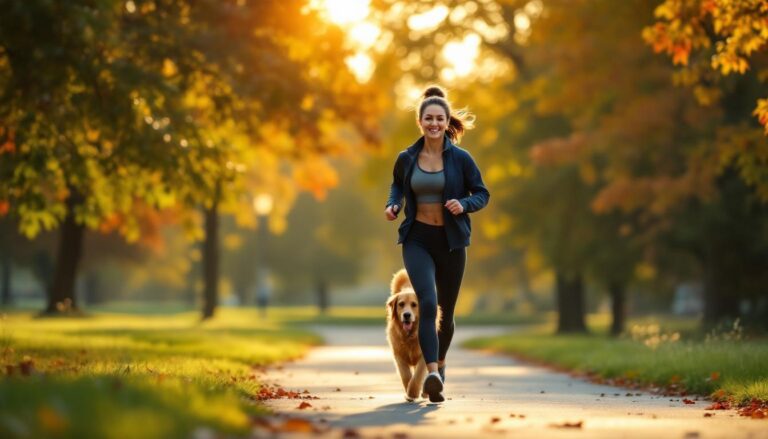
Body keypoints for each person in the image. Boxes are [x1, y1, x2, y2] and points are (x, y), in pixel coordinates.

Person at [384, 85, 490, 403]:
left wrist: (464, 204)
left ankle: (440, 364)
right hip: (417, 238)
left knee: (446, 311)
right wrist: (393, 205)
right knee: (428, 304)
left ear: (447, 122)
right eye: (428, 118)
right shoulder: (407, 158)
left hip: (451, 241)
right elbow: (396, 187)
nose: (433, 123)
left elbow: (482, 193)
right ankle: (431, 373)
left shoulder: (461, 159)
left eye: (439, 119)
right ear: (420, 122)